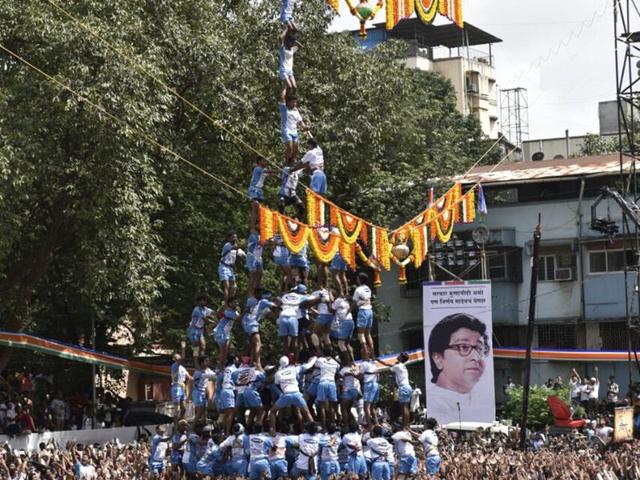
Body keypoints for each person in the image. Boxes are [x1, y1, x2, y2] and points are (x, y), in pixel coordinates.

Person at [427, 313, 491, 424]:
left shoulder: (482, 402)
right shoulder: (434, 403)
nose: (476, 357)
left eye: (479, 349)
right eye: (463, 347)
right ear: (438, 358)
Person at [270, 355, 316, 433]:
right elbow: (308, 365)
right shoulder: (295, 369)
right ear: (288, 362)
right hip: (297, 394)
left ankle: (272, 431)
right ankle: (314, 432)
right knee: (306, 412)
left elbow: (276, 383)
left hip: (286, 395)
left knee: (273, 411)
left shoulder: (277, 373)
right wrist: (315, 358)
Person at [242, 292, 277, 368]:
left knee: (253, 345)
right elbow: (275, 306)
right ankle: (258, 364)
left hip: (246, 323)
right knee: (258, 343)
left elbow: (270, 314)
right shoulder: (264, 301)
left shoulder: (259, 304)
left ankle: (251, 364)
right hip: (251, 323)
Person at [378, 352, 412, 428]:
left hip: (403, 387)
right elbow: (389, 365)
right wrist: (379, 360)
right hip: (407, 387)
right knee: (405, 407)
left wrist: (377, 361)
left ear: (401, 358)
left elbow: (388, 366)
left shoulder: (398, 366)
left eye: (399, 355)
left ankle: (405, 426)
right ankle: (406, 425)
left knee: (404, 408)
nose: (398, 356)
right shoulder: (402, 366)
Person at [314, 346, 341, 427]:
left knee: (322, 406)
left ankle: (324, 426)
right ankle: (333, 424)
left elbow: (315, 366)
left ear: (323, 353)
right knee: (332, 405)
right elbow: (338, 370)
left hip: (322, 382)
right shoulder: (335, 362)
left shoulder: (320, 360)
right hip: (332, 383)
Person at [278, 92, 308, 162]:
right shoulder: (284, 109)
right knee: (290, 147)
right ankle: (285, 163)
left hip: (294, 132)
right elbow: (281, 98)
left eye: (295, 102)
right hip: (286, 131)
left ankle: (292, 163)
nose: (294, 104)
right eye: (293, 102)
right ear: (288, 102)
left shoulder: (296, 111)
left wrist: (305, 127)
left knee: (296, 150)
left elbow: (300, 122)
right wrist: (285, 87)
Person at [212, 298, 240, 370]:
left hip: (227, 333)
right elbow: (239, 318)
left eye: (237, 302)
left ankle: (222, 367)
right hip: (221, 332)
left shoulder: (235, 312)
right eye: (234, 302)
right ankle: (219, 368)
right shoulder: (228, 312)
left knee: (226, 352)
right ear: (230, 304)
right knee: (222, 351)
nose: (236, 304)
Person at [218, 232, 246, 303]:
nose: (235, 238)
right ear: (229, 238)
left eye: (236, 237)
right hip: (224, 267)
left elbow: (243, 255)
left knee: (234, 287)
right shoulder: (227, 245)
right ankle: (226, 302)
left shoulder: (236, 248)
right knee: (226, 286)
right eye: (233, 237)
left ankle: (230, 301)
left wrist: (248, 257)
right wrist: (245, 244)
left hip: (230, 268)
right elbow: (235, 247)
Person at [247, 156, 272, 231]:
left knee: (260, 209)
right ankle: (252, 228)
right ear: (259, 162)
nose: (266, 163)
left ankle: (257, 224)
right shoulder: (258, 169)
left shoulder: (263, 170)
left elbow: (271, 174)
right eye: (264, 161)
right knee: (255, 206)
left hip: (259, 191)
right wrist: (280, 170)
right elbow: (269, 171)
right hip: (254, 189)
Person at [353, 273, 374, 360]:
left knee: (360, 334)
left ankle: (366, 356)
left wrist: (348, 311)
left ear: (360, 280)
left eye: (358, 278)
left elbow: (354, 302)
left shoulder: (358, 290)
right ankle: (372, 354)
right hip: (370, 311)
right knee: (368, 334)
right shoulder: (368, 288)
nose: (356, 280)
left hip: (363, 311)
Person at [192, 356, 216, 424]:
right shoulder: (198, 372)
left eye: (208, 360)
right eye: (206, 361)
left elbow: (214, 379)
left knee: (204, 411)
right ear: (201, 363)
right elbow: (202, 377)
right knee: (199, 411)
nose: (208, 362)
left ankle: (203, 424)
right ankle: (191, 429)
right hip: (198, 393)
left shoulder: (209, 371)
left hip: (204, 394)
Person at [332, 294, 355, 363]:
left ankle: (348, 363)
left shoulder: (337, 301)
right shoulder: (346, 301)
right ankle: (353, 361)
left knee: (340, 343)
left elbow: (331, 310)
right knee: (347, 344)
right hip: (351, 321)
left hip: (345, 322)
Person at [170, 353, 191, 423]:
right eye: (177, 358)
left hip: (182, 388)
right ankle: (175, 426)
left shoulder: (182, 367)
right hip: (176, 387)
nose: (179, 359)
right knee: (177, 409)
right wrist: (183, 350)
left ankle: (180, 423)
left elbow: (189, 377)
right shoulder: (174, 365)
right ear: (174, 359)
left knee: (184, 409)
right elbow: (181, 360)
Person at [279, 29, 301, 96]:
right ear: (287, 42)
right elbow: (280, 38)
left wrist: (294, 40)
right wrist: (286, 30)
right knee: (289, 86)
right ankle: (284, 100)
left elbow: (301, 46)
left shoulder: (292, 49)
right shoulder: (283, 49)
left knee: (294, 87)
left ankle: (291, 99)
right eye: (291, 42)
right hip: (284, 70)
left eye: (292, 43)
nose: (292, 44)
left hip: (290, 71)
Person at [339, 360, 361, 425]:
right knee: (347, 409)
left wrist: (351, 373)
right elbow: (340, 379)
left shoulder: (355, 367)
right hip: (350, 390)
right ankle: (353, 423)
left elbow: (359, 377)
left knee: (344, 408)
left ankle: (347, 425)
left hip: (352, 391)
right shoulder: (344, 369)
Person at [360, 358, 379, 425]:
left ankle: (370, 426)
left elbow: (361, 376)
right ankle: (377, 424)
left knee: (366, 407)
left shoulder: (363, 363)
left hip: (369, 384)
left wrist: (354, 374)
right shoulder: (374, 362)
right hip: (375, 384)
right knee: (372, 407)